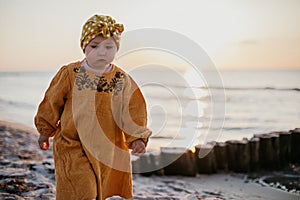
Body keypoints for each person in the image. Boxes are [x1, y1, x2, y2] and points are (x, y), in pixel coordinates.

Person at [35, 14, 152, 200]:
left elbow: (132, 110)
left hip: (106, 147)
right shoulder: (70, 73)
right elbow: (52, 102)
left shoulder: (121, 79)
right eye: (94, 46)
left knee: (99, 191)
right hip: (72, 143)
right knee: (82, 190)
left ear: (116, 49)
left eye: (109, 46)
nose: (102, 51)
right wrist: (45, 129)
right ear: (84, 47)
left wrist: (137, 138)